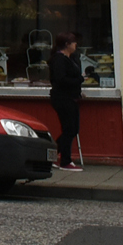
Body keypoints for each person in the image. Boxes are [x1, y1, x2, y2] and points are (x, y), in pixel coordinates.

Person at [47, 32, 85, 170]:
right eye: (74, 42)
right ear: (67, 45)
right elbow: (61, 80)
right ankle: (65, 161)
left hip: (71, 97)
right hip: (63, 99)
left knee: (71, 129)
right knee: (70, 129)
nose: (76, 45)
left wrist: (78, 90)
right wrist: (80, 79)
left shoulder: (70, 58)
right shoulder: (59, 60)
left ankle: (50, 156)